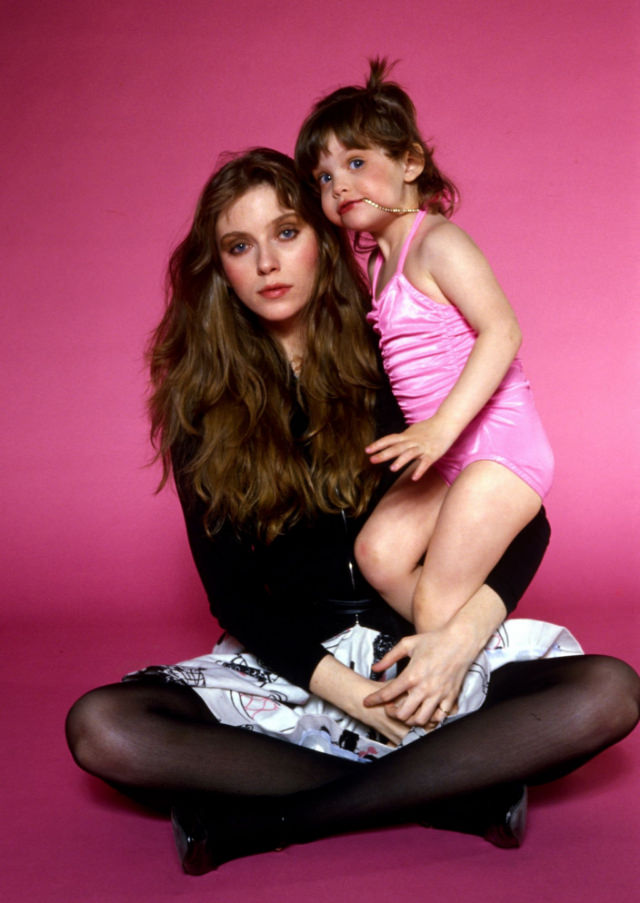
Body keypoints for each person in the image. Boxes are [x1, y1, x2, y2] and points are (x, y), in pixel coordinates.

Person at [65, 148, 639, 875]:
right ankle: (458, 792)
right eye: (240, 246)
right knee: (104, 727)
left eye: (287, 232)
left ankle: (268, 822)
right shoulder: (201, 406)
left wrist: (454, 644)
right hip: (295, 672)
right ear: (220, 271)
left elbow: (522, 513)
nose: (269, 263)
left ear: (322, 240)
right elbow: (233, 595)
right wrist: (361, 701)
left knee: (607, 692)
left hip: (419, 657)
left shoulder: (393, 357)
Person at [295, 60, 556, 724]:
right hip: (445, 461)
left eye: (355, 162)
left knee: (439, 602)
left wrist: (439, 430)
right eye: (324, 176)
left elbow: (503, 329)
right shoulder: (379, 263)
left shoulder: (437, 241)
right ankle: (476, 654)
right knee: (377, 553)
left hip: (498, 453)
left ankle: (441, 704)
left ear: (410, 162)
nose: (337, 184)